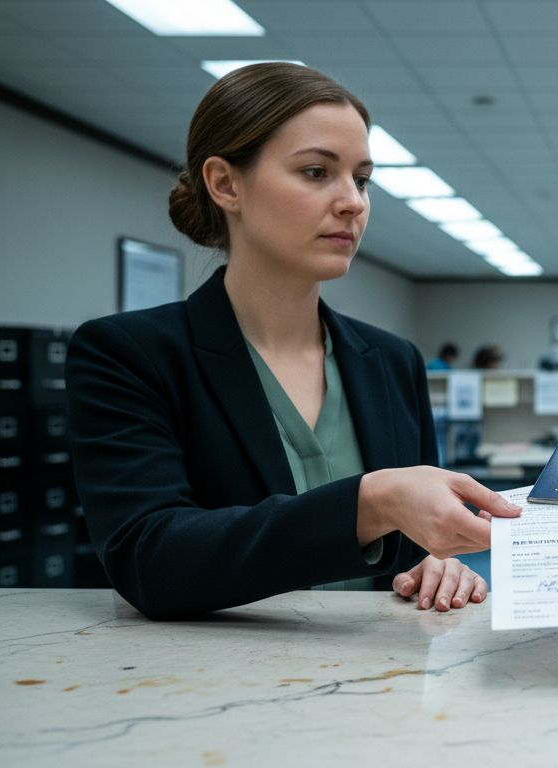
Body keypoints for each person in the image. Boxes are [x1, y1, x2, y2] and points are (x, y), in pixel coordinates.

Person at [66, 63, 520, 620]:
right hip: (208, 670)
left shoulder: (392, 361)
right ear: (225, 183)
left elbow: (413, 548)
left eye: (361, 179)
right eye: (315, 172)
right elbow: (149, 559)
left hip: (382, 668)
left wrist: (435, 563)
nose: (353, 202)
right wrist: (368, 504)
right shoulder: (129, 354)